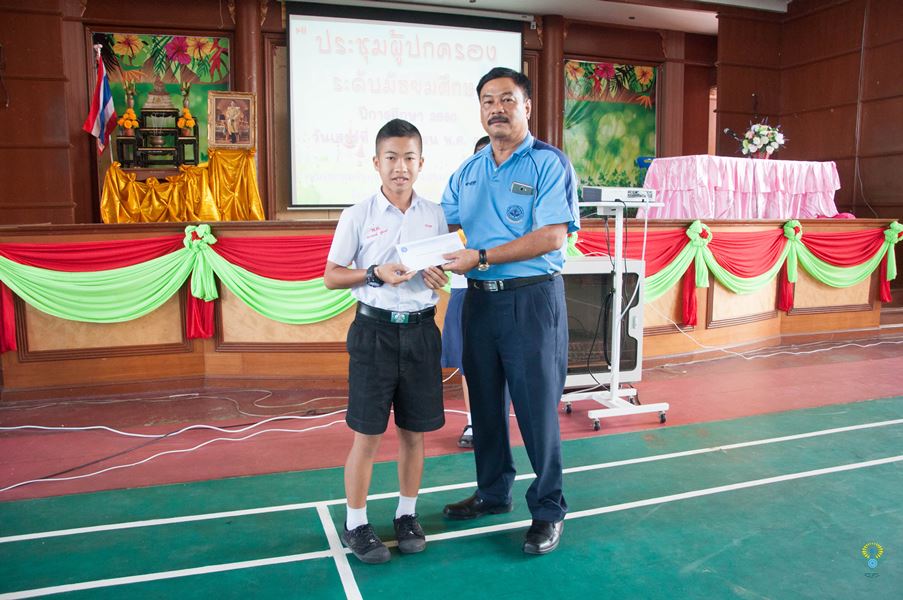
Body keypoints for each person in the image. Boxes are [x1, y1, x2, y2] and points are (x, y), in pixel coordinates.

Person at [440, 67, 580, 555]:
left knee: (536, 408)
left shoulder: (548, 163)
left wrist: (480, 256)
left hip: (531, 299)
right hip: (478, 300)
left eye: (506, 99)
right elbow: (438, 223)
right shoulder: (469, 170)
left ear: (526, 107)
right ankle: (493, 492)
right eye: (487, 101)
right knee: (484, 404)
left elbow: (552, 236)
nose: (496, 109)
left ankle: (548, 509)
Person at [324, 118, 449, 564]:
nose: (401, 167)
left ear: (421, 163)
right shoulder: (357, 215)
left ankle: (406, 515)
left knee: (414, 433)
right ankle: (356, 522)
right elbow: (332, 276)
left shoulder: (434, 214)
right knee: (368, 434)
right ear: (376, 162)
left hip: (421, 332)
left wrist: (438, 276)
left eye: (409, 158)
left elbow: (441, 269)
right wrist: (374, 273)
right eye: (392, 158)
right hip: (373, 332)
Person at [442, 135, 490, 449]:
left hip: (506, 290)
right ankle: (473, 422)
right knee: (468, 361)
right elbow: (442, 235)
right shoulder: (459, 193)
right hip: (465, 289)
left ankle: (496, 421)